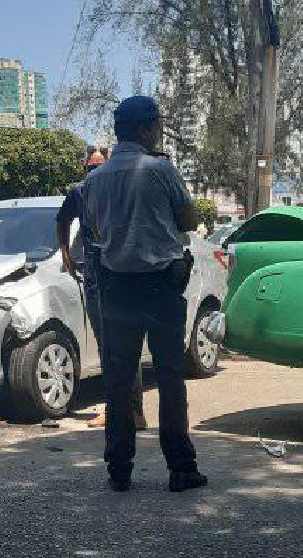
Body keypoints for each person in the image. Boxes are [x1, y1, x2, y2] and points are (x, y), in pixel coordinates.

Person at [80, 95, 207, 493]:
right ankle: (181, 468)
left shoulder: (94, 181)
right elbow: (188, 218)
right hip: (160, 286)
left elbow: (96, 231)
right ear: (146, 128)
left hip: (116, 289)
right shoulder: (161, 170)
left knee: (119, 381)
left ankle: (119, 469)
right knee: (170, 378)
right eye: (158, 125)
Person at [56, 148, 147, 432]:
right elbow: (61, 220)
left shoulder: (121, 191)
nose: (93, 173)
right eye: (89, 167)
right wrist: (65, 254)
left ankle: (130, 411)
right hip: (97, 275)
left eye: (99, 167)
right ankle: (120, 409)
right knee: (109, 345)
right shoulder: (79, 193)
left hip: (123, 274)